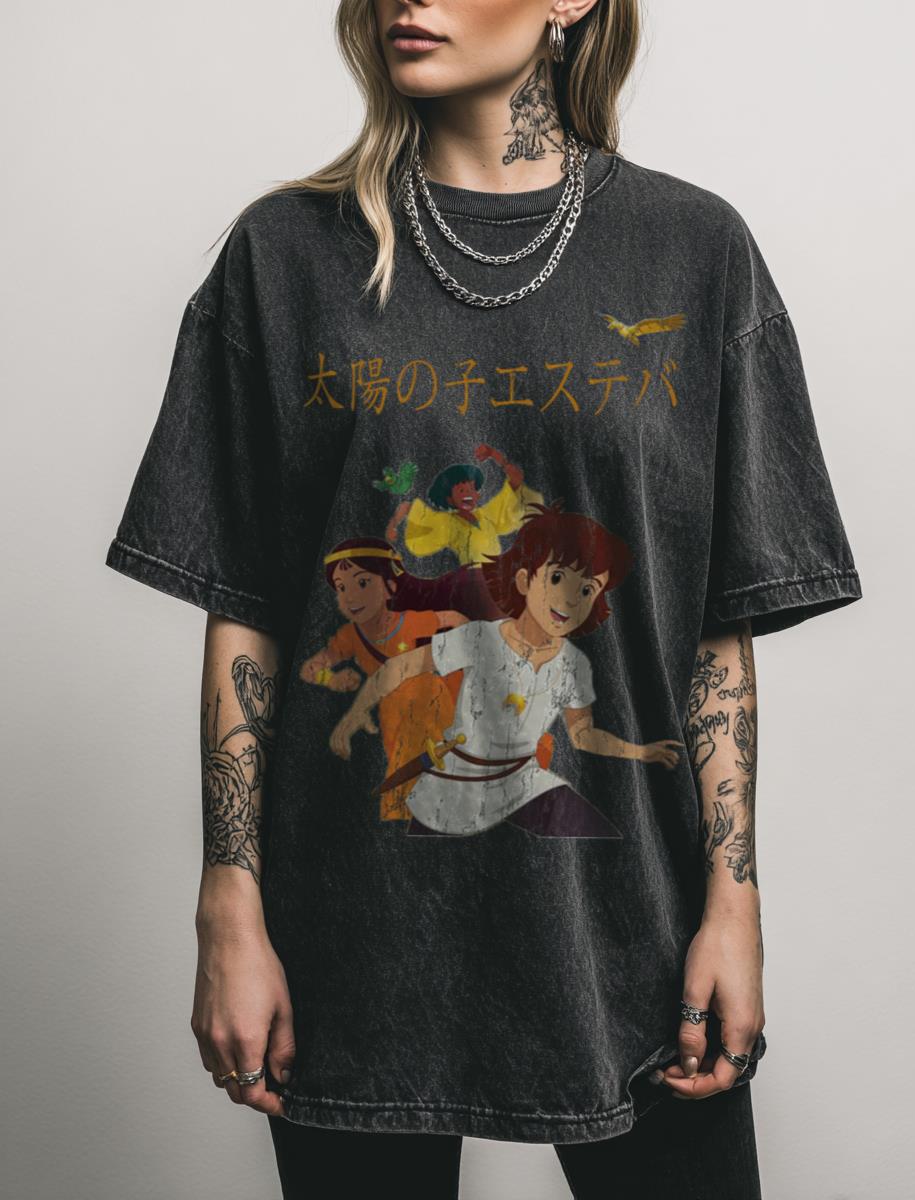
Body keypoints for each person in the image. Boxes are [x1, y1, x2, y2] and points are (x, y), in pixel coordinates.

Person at [103, 0, 864, 1196]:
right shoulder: (285, 256)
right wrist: (229, 905)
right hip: (351, 934)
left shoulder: (694, 251)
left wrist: (735, 901)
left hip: (632, 927)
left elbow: (715, 633)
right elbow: (244, 608)